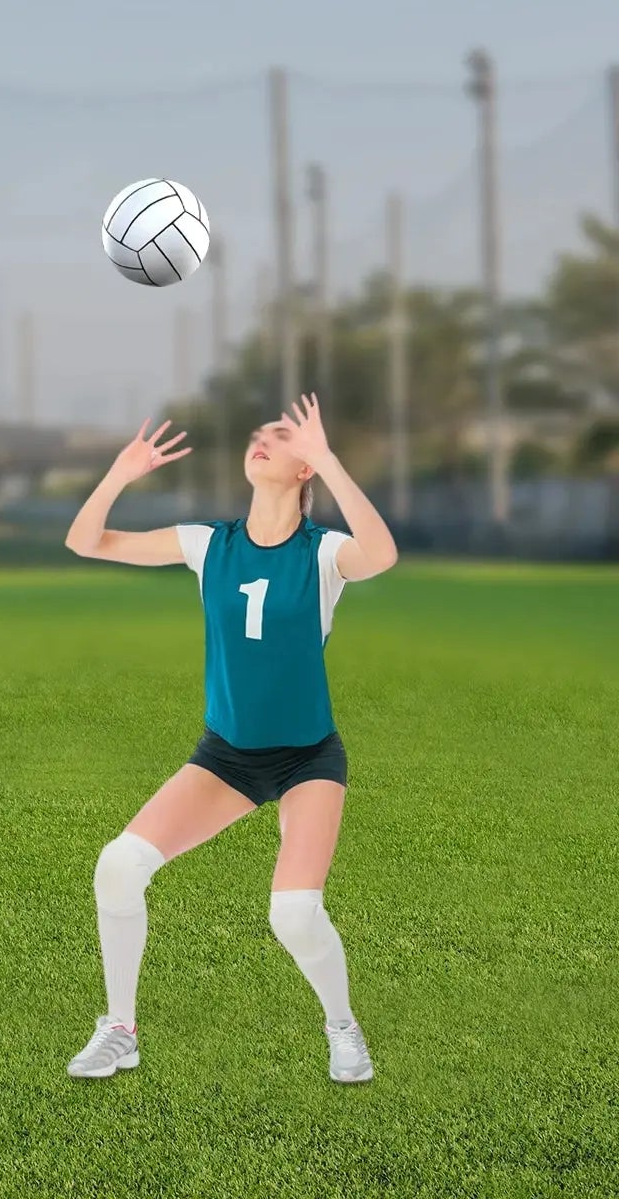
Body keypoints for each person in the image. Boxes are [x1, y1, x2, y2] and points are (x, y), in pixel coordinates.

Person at [62, 393, 397, 1084]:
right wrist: (120, 473)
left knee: (295, 915)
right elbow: (85, 541)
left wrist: (329, 456)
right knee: (117, 867)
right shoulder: (208, 544)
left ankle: (343, 1026)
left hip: (308, 758)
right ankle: (120, 1030)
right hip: (226, 756)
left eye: (284, 436)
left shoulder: (324, 552)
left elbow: (382, 554)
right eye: (261, 432)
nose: (263, 439)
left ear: (305, 469)